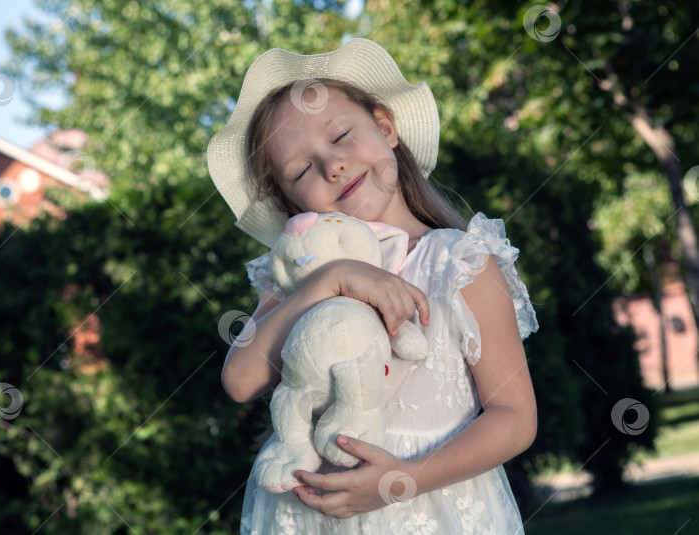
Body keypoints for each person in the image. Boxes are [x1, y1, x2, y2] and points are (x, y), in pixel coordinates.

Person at [207, 38, 539, 534]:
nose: (332, 165)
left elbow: (514, 416)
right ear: (289, 200)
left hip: (428, 508)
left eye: (340, 135)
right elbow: (240, 381)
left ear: (385, 128)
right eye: (301, 169)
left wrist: (404, 479)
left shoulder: (459, 261)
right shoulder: (297, 281)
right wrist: (330, 279)